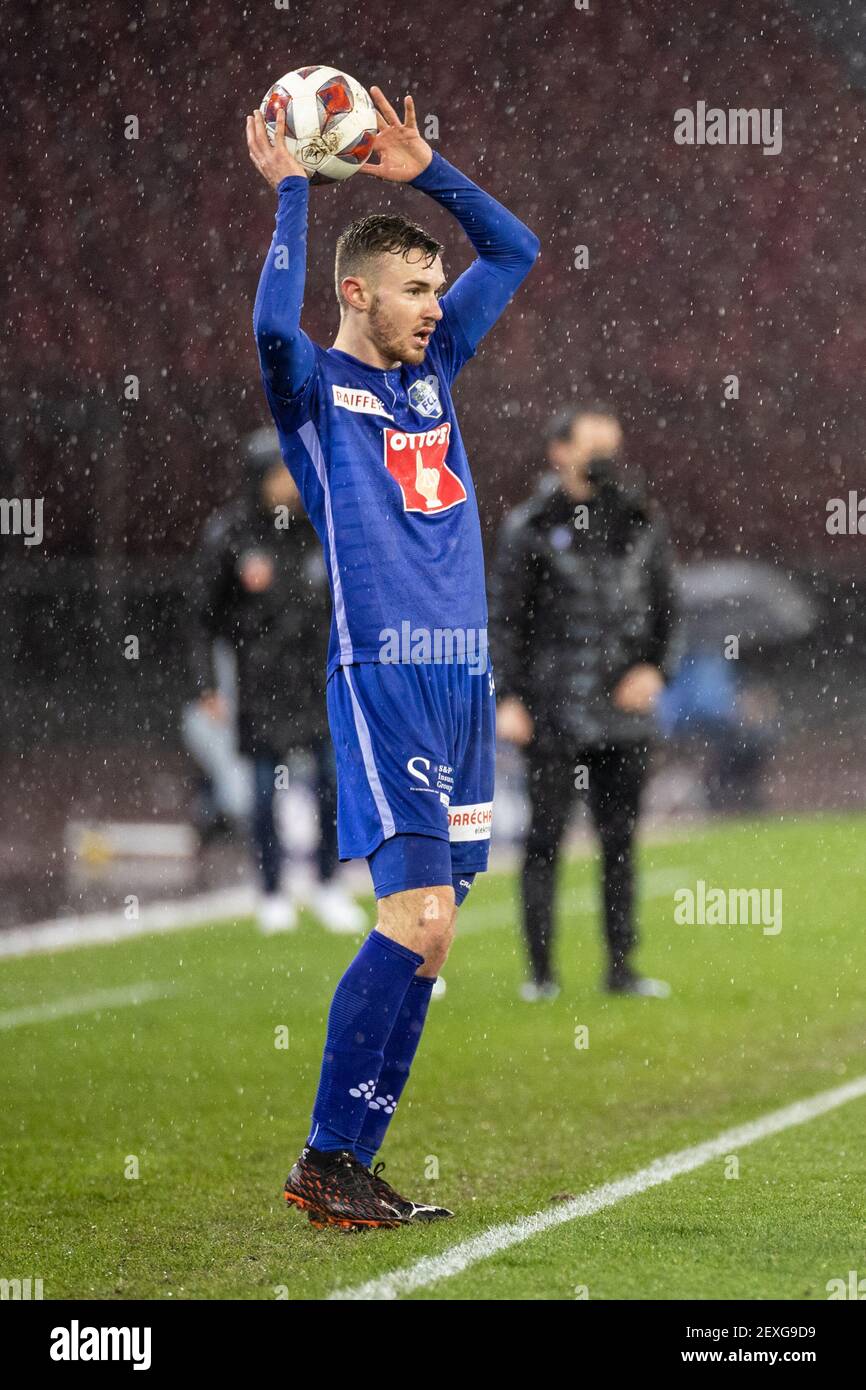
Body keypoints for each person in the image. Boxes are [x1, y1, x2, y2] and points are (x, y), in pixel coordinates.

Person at [246, 86, 539, 1228]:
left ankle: (352, 1165)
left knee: (437, 933)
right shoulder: (317, 391)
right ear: (356, 293)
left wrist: (429, 171)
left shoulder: (432, 370)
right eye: (414, 290)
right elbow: (276, 329)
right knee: (411, 919)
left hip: (461, 680)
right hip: (382, 676)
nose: (435, 306)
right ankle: (326, 1155)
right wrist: (290, 195)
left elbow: (514, 249)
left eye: (435, 289)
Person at [489, 405, 677, 1000]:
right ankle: (541, 975)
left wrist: (654, 668)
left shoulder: (640, 520)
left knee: (619, 842)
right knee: (543, 840)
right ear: (559, 452)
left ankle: (622, 968)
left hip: (623, 714)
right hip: (553, 709)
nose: (607, 461)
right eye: (594, 448)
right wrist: (508, 696)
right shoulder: (531, 526)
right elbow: (505, 621)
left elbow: (669, 607)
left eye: (612, 448)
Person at [188, 426, 366, 935]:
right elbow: (202, 618)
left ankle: (330, 884)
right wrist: (207, 685)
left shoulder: (319, 525)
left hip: (319, 682)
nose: (290, 482)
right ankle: (270, 891)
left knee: (332, 784)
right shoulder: (232, 536)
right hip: (261, 688)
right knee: (264, 792)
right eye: (280, 472)